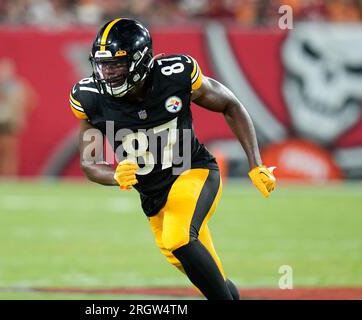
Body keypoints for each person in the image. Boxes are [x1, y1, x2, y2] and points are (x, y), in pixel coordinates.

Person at [69, 18, 276, 300]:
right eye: (102, 64)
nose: (107, 72)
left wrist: (255, 163)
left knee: (178, 239)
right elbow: (89, 163)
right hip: (153, 197)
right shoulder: (90, 97)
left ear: (140, 60)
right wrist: (114, 175)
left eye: (116, 64)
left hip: (192, 171)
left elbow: (230, 104)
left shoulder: (174, 75)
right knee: (209, 276)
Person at [0, 58, 36, 176]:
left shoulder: (18, 85)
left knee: (10, 150)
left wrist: (20, 112)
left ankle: (9, 176)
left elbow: (31, 100)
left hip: (11, 121)